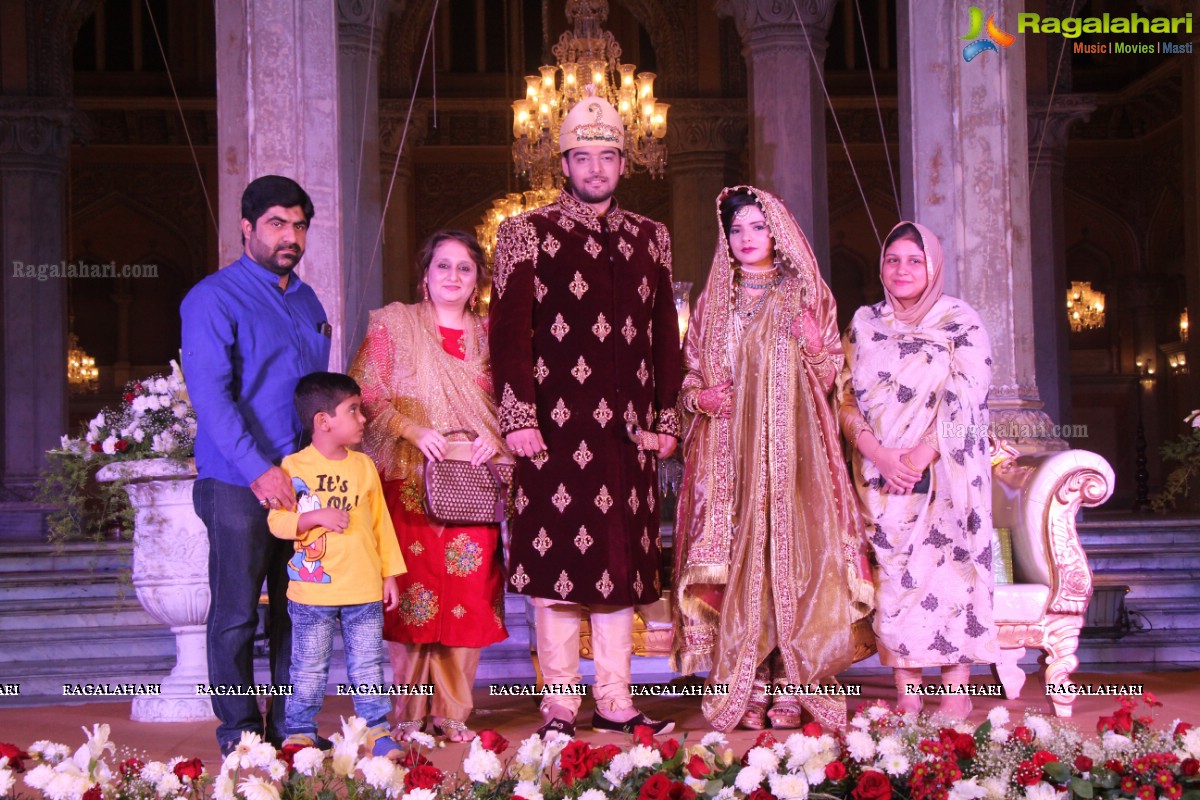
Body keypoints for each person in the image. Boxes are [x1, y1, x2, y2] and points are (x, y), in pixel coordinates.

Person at [488, 86, 682, 737]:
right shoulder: (524, 234)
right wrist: (518, 419)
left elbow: (664, 340)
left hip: (625, 438)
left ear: (624, 163)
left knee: (618, 568)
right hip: (550, 432)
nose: (596, 167)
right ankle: (561, 701)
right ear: (563, 163)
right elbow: (509, 336)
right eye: (583, 156)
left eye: (607, 155)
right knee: (556, 571)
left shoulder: (651, 239)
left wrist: (667, 423)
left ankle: (617, 698)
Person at [670, 186, 875, 732]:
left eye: (757, 227)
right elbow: (689, 376)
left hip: (794, 457)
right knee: (739, 561)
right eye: (736, 229)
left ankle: (791, 676)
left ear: (777, 231)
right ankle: (751, 674)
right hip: (729, 459)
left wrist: (813, 345)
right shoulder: (715, 301)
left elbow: (837, 378)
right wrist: (700, 399)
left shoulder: (807, 294)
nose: (745, 238)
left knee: (796, 558)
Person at [181, 175, 330, 753]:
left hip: (304, 484)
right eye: (276, 224)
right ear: (246, 227)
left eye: (298, 225)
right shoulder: (213, 297)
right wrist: (257, 469)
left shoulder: (307, 299)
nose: (290, 236)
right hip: (240, 482)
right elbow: (212, 396)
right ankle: (241, 734)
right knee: (238, 615)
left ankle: (292, 729)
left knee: (300, 611)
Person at [349, 229, 509, 743]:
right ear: (425, 275)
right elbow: (366, 395)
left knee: (469, 593)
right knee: (411, 598)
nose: (454, 276)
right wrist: (411, 430)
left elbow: (515, 406)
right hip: (409, 478)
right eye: (444, 266)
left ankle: (453, 713)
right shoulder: (394, 327)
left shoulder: (494, 335)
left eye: (465, 268)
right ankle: (407, 715)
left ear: (478, 281)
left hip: (472, 484)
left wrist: (493, 440)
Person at [836, 221, 998, 719]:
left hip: (948, 476)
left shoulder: (960, 322)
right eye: (892, 260)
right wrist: (883, 456)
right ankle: (907, 690)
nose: (902, 269)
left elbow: (973, 398)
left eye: (915, 260)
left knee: (952, 575)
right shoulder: (864, 322)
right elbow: (842, 398)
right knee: (894, 579)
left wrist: (921, 455)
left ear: (934, 266)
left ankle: (955, 690)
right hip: (880, 476)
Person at [267, 372, 406, 755]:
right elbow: (277, 522)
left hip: (362, 589)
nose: (363, 419)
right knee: (309, 668)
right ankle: (300, 732)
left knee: (367, 669)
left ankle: (377, 731)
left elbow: (381, 524)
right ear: (323, 421)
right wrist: (315, 518)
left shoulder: (363, 467)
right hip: (312, 593)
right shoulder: (293, 467)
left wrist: (390, 574)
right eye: (354, 410)